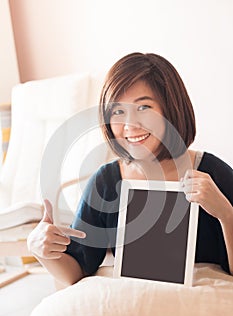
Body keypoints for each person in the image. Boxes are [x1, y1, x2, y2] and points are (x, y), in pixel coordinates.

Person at [27, 52, 233, 287]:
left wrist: (226, 214)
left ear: (171, 109)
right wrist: (40, 250)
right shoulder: (105, 182)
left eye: (144, 107)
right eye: (118, 111)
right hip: (135, 305)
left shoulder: (211, 172)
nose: (129, 125)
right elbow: (76, 271)